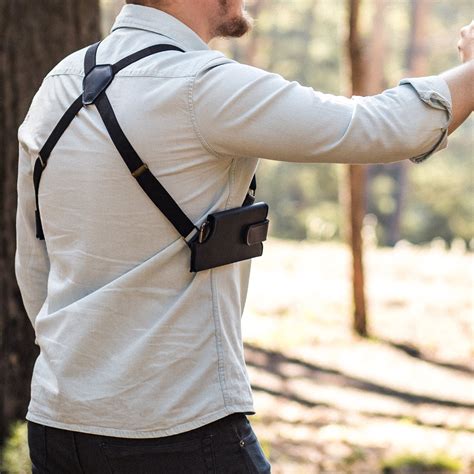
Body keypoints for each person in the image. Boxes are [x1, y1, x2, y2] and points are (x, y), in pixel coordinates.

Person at [16, 0, 473, 472]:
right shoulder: (203, 85)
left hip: (57, 424)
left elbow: (33, 265)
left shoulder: (58, 83)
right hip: (177, 429)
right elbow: (381, 126)